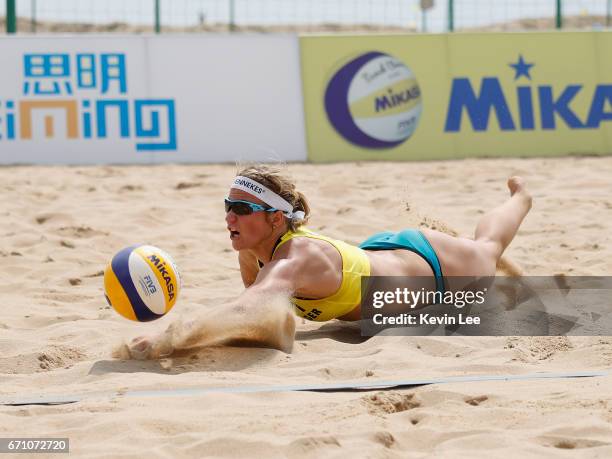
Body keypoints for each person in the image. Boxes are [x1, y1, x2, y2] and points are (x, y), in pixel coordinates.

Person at [125, 165, 531, 359]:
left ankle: (521, 197)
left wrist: (170, 338)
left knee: (488, 248)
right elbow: (256, 317)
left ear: (275, 218)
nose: (229, 215)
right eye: (228, 205)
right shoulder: (252, 252)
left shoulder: (295, 256)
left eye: (242, 208)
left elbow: (251, 305)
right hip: (374, 256)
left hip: (432, 270)